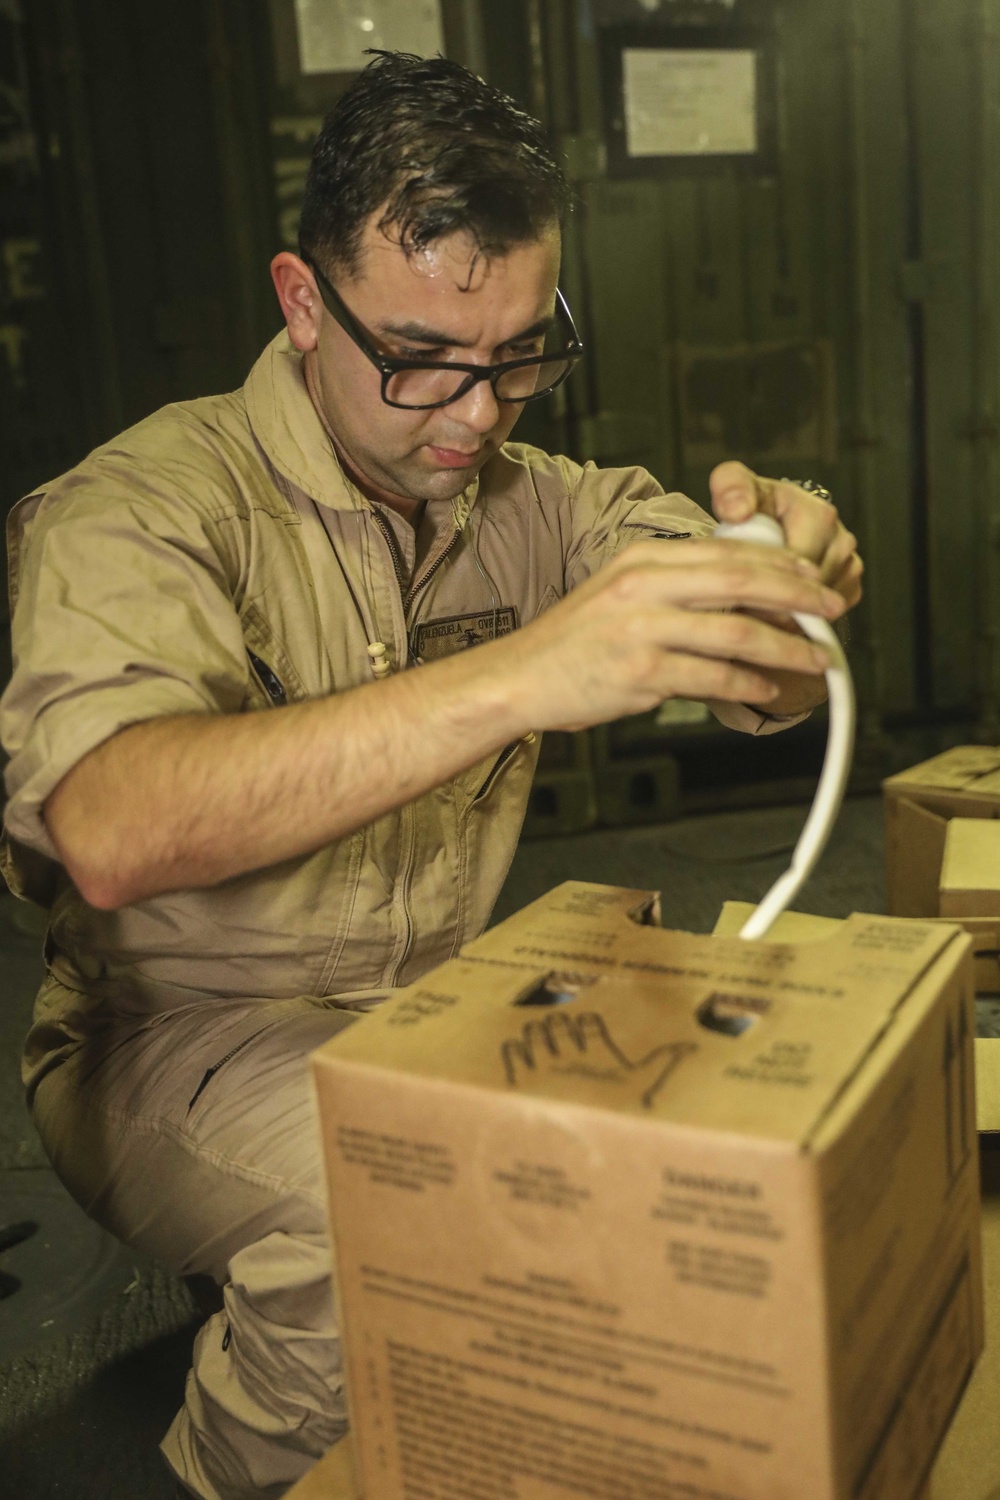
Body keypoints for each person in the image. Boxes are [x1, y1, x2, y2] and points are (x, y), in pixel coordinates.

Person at [0, 51, 861, 1500]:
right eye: (420, 358)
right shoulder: (142, 509)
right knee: (389, 1220)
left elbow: (751, 657)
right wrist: (528, 674)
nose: (476, 415)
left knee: (650, 1190)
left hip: (425, 1008)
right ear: (299, 298)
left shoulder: (528, 500)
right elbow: (109, 826)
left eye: (522, 353)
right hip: (170, 1038)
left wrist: (787, 576)